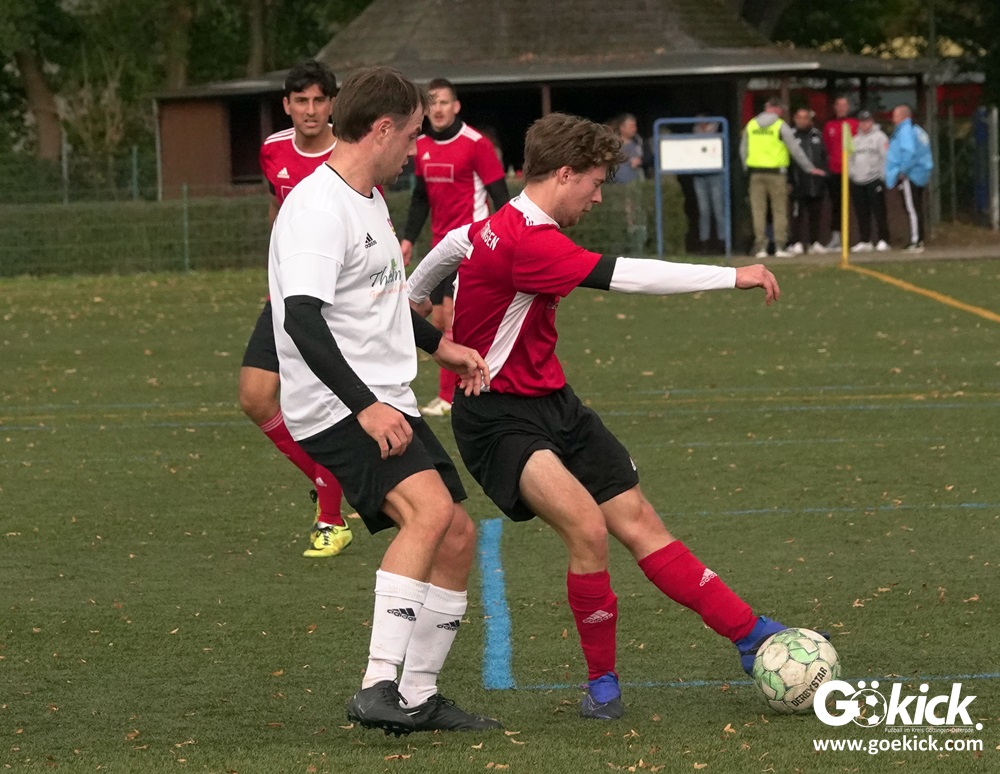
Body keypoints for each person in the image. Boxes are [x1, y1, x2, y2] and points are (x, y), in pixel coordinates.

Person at [408, 112, 804, 721]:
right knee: (588, 528)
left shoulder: (492, 226)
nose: (596, 198)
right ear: (564, 174)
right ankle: (602, 683)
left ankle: (749, 635)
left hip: (556, 404)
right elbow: (630, 276)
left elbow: (438, 261)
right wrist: (733, 275)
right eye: (593, 184)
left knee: (640, 521)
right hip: (496, 419)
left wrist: (421, 318)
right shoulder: (530, 241)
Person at [268, 65, 500, 736]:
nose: (416, 151)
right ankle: (377, 687)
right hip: (337, 403)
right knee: (429, 514)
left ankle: (418, 695)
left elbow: (380, 301)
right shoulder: (318, 208)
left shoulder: (368, 197)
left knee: (456, 534)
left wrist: (440, 347)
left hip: (384, 394)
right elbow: (302, 318)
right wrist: (364, 407)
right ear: (381, 129)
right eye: (412, 136)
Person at [238, 59, 353, 559]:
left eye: (319, 100)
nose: (310, 110)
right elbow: (276, 209)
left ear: (332, 104)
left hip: (334, 304)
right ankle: (331, 480)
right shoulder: (272, 150)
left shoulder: (349, 152)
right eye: (301, 100)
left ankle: (331, 519)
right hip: (285, 296)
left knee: (325, 408)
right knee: (255, 397)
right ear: (287, 105)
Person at [399, 78, 510, 418]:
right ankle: (466, 386)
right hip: (439, 248)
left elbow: (501, 196)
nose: (438, 109)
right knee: (438, 318)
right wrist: (408, 238)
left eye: (444, 102)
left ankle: (452, 395)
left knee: (452, 317)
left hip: (470, 246)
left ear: (456, 106)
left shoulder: (476, 144)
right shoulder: (420, 145)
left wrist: (506, 242)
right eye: (432, 103)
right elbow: (420, 198)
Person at [740, 97, 825, 258]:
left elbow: (743, 149)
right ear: (777, 109)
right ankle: (780, 246)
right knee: (779, 210)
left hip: (756, 173)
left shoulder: (751, 125)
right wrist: (809, 168)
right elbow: (795, 149)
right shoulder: (780, 126)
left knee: (758, 211)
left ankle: (761, 248)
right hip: (776, 174)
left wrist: (747, 169)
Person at [885, 104, 933, 253]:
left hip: (910, 175)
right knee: (916, 207)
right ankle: (918, 238)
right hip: (920, 174)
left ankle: (916, 240)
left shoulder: (905, 131)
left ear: (903, 116)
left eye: (895, 115)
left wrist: (902, 170)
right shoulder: (917, 130)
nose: (893, 119)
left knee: (912, 208)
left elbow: (909, 152)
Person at [786, 108, 828, 255]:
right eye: (800, 118)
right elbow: (788, 159)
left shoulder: (817, 135)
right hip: (798, 182)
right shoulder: (790, 135)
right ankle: (796, 242)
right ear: (795, 119)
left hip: (816, 183)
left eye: (805, 118)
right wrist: (789, 179)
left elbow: (823, 156)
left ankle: (814, 242)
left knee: (815, 214)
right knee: (797, 214)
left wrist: (824, 173)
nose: (802, 121)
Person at [848, 110, 891, 252]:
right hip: (857, 181)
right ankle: (865, 240)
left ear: (872, 122)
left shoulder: (880, 137)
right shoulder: (854, 140)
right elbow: (849, 159)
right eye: (862, 122)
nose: (864, 124)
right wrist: (852, 174)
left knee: (879, 211)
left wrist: (882, 177)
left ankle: (884, 239)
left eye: (867, 121)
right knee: (861, 212)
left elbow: (885, 157)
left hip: (874, 179)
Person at [821, 95, 858, 250]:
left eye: (844, 105)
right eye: (839, 105)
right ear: (835, 107)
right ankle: (837, 238)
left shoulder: (854, 124)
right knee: (837, 205)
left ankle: (861, 239)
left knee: (857, 204)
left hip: (853, 171)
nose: (842, 108)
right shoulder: (829, 125)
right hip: (835, 171)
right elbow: (826, 147)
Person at [691, 116, 726, 254]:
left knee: (718, 211)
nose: (701, 124)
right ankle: (704, 243)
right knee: (704, 211)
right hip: (699, 176)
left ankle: (722, 243)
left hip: (716, 175)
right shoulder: (694, 135)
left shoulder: (717, 133)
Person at [609, 113, 644, 184]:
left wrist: (640, 161)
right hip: (618, 183)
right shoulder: (613, 144)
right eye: (631, 126)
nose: (634, 129)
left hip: (636, 183)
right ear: (622, 127)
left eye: (635, 126)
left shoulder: (637, 141)